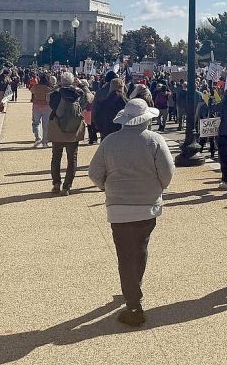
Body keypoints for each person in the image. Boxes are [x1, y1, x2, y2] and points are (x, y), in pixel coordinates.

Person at [88, 98, 176, 327]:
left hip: (118, 206)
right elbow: (167, 173)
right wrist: (158, 186)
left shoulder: (110, 141)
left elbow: (94, 172)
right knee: (141, 248)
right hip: (147, 204)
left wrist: (105, 185)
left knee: (125, 254)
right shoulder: (154, 140)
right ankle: (134, 289)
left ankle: (132, 297)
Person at [47, 72, 90, 196]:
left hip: (58, 129)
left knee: (56, 157)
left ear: (61, 81)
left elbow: (49, 100)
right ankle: (67, 187)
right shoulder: (79, 94)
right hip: (74, 129)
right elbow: (89, 99)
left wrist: (58, 86)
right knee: (72, 159)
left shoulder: (56, 94)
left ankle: (56, 184)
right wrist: (81, 85)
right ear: (73, 81)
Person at [29, 73, 54, 148]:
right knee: (46, 125)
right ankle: (45, 141)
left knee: (36, 123)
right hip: (47, 107)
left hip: (37, 106)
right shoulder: (48, 88)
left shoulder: (36, 87)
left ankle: (38, 138)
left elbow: (31, 90)